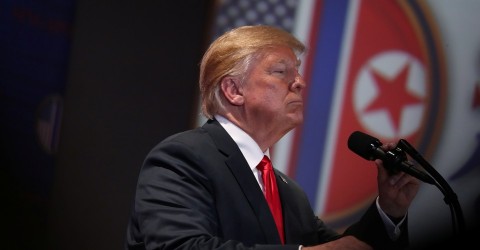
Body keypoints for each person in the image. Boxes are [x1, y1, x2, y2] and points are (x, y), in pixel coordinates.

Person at [125, 25, 420, 250]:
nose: (300, 82)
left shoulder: (289, 193)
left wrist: (389, 211)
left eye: (298, 72)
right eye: (281, 71)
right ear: (233, 90)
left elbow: (346, 247)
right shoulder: (183, 157)